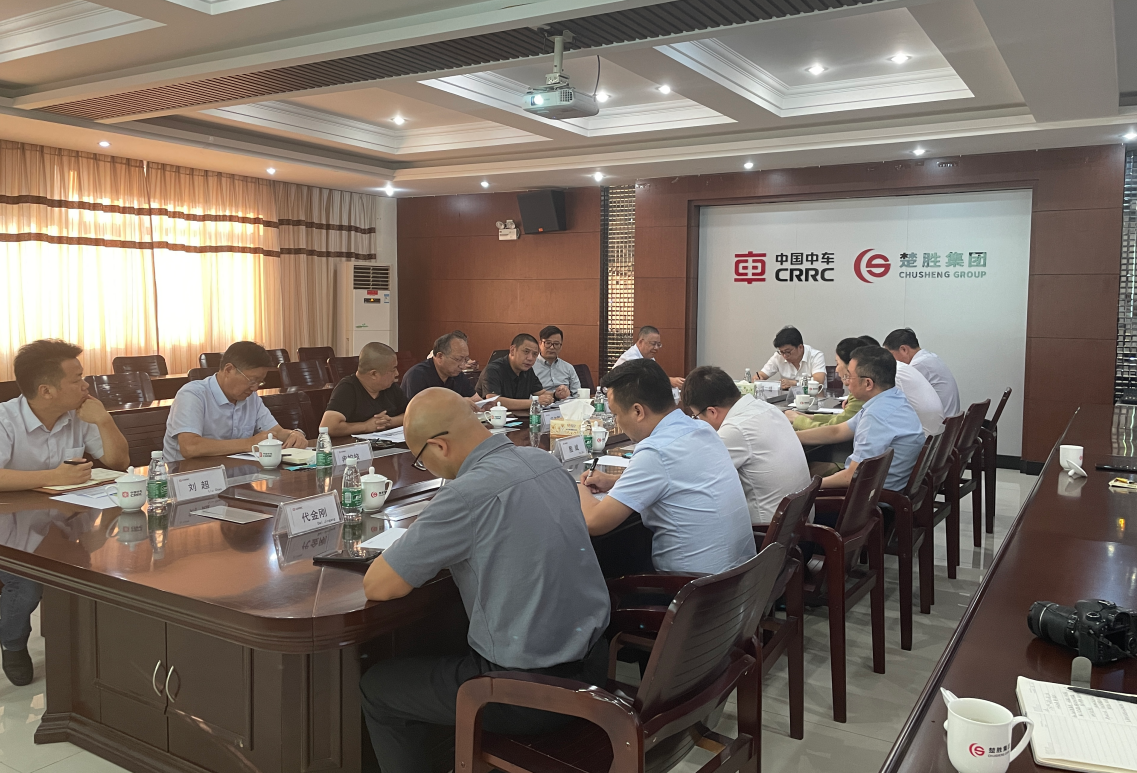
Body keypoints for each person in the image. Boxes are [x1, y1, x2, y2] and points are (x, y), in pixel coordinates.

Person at [358, 388, 610, 772]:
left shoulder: (465, 495)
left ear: (439, 446)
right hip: (593, 667)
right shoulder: (545, 462)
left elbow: (379, 585)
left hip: (525, 694)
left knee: (378, 688)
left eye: (421, 460)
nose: (426, 467)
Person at [0, 339, 130, 686]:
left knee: (97, 572)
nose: (86, 385)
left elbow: (119, 462)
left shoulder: (79, 414)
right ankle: (13, 643)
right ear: (46, 390)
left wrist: (104, 421)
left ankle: (84, 646)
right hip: (10, 526)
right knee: (26, 586)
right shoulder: (5, 420)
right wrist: (52, 477)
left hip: (64, 521)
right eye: (76, 379)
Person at [577, 359, 755, 573]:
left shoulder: (655, 451)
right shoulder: (702, 428)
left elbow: (594, 522)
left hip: (694, 586)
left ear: (638, 411)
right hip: (743, 576)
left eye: (616, 414)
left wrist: (577, 488)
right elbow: (678, 478)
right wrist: (615, 481)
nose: (617, 422)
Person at [681, 366, 811, 525]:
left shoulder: (735, 429)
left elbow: (695, 476)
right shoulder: (768, 408)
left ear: (712, 412)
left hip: (768, 531)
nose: (698, 422)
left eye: (696, 416)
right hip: (800, 522)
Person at [795, 345, 925, 492]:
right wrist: (792, 437)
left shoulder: (876, 417)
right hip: (880, 488)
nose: (846, 381)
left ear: (868, 383)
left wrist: (805, 489)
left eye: (849, 376)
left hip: (872, 497)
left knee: (797, 482)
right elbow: (837, 431)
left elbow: (852, 476)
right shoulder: (893, 398)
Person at [163, 341, 307, 461]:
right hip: (187, 477)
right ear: (229, 370)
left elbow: (275, 432)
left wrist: (293, 435)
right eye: (252, 380)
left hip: (234, 473)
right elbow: (190, 447)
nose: (255, 388)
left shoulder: (250, 397)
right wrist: (249, 443)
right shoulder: (193, 395)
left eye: (260, 382)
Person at [320, 342, 408, 437]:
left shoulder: (390, 387)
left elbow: (411, 415)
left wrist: (389, 422)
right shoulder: (347, 389)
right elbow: (327, 427)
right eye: (393, 370)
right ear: (374, 374)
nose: (397, 373)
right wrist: (365, 426)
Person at [784, 336, 870, 430]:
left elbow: (835, 430)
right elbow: (838, 420)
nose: (836, 370)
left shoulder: (862, 395)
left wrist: (797, 420)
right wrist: (806, 417)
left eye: (838, 363)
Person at [883, 328, 961, 417]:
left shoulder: (918, 365)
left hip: (941, 422)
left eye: (891, 355)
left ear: (904, 349)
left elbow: (894, 396)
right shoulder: (930, 357)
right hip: (950, 420)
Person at [475, 334, 554, 410]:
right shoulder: (493, 370)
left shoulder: (528, 370)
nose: (530, 358)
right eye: (526, 351)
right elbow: (493, 400)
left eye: (535, 354)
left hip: (518, 417)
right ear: (512, 350)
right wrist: (534, 402)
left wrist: (556, 394)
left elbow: (541, 393)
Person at [401, 331, 481, 407]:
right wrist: (458, 402)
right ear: (440, 356)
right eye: (458, 359)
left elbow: (475, 399)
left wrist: (484, 405)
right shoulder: (417, 375)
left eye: (465, 359)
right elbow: (418, 410)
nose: (462, 366)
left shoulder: (457, 374)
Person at [613, 326, 685, 388]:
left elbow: (655, 377)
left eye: (658, 344)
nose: (656, 348)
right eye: (653, 344)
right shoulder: (630, 358)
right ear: (641, 342)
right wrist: (668, 381)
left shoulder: (648, 357)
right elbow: (642, 380)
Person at [757, 326, 826, 389]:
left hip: (814, 396)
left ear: (800, 347)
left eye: (788, 352)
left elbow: (818, 381)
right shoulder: (778, 356)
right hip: (787, 397)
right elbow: (761, 375)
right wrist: (758, 379)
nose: (784, 356)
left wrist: (794, 383)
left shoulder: (816, 356)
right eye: (782, 352)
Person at [532, 325, 580, 400]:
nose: (552, 347)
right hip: (541, 404)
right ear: (540, 344)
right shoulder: (530, 367)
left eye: (556, 344)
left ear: (561, 346)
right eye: (548, 343)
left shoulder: (568, 367)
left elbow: (577, 394)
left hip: (566, 404)